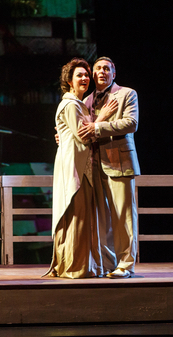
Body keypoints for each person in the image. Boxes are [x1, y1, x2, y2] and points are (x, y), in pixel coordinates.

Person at [47, 58, 118, 278]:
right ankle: (75, 265)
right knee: (76, 212)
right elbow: (83, 134)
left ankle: (86, 263)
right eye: (80, 75)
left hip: (81, 164)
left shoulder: (78, 103)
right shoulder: (70, 104)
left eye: (87, 75)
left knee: (85, 214)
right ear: (69, 80)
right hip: (74, 166)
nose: (85, 78)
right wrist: (103, 117)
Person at [78, 56, 140, 279]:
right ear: (93, 75)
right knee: (101, 219)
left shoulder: (126, 94)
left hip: (119, 162)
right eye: (98, 69)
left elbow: (131, 123)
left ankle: (126, 264)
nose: (102, 72)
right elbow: (80, 131)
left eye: (106, 68)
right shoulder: (86, 101)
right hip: (94, 166)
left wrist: (96, 127)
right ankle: (107, 264)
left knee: (123, 217)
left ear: (114, 73)